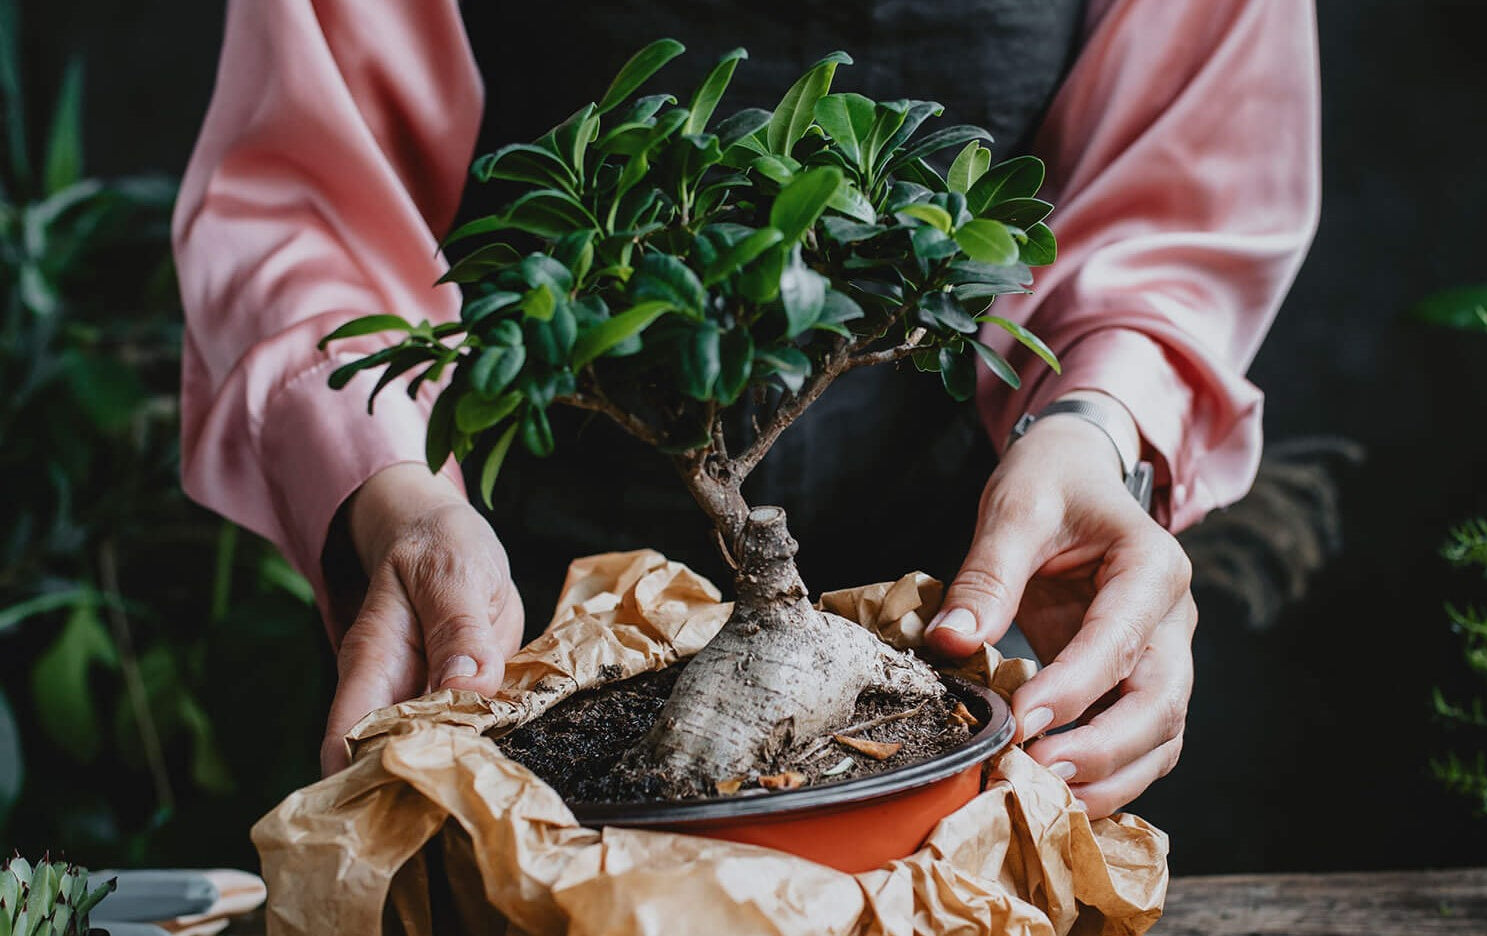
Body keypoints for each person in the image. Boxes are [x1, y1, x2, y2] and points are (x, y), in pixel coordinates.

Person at [172, 0, 1319, 819]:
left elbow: (1182, 188)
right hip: (506, 618)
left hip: (968, 618)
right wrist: (398, 492)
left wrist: (1091, 430)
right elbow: (303, 203)